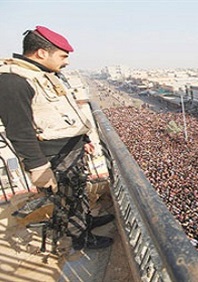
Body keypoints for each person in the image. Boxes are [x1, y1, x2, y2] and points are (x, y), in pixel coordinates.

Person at [0, 26, 114, 250]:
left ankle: (86, 221)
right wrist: (38, 167)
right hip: (52, 155)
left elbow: (61, 116)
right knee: (67, 199)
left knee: (77, 192)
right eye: (62, 56)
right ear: (41, 52)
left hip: (69, 151)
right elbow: (19, 130)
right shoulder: (13, 81)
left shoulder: (43, 75)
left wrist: (83, 141)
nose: (66, 62)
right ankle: (80, 238)